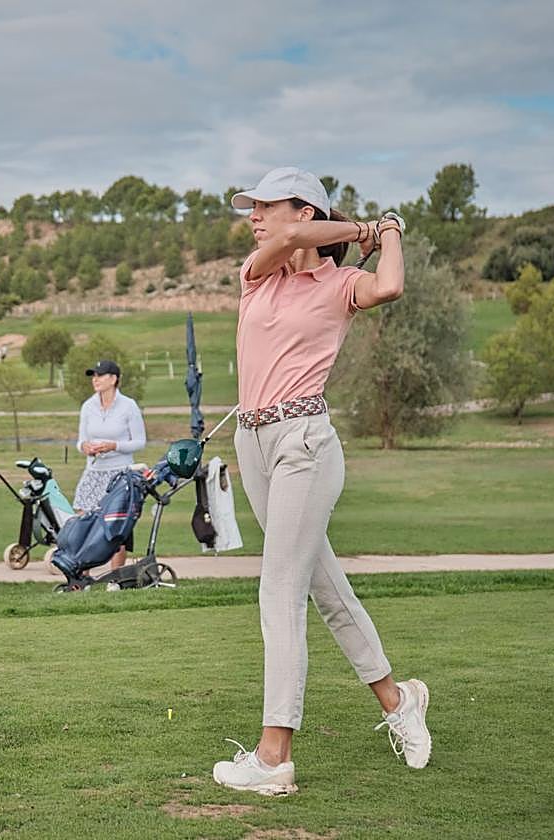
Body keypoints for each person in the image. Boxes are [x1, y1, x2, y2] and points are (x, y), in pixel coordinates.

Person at [210, 166, 429, 795]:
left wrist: (388, 233)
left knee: (279, 590)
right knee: (325, 591)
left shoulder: (341, 286)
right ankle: (398, 701)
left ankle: (274, 755)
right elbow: (275, 248)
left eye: (265, 205)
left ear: (305, 212)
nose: (253, 215)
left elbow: (389, 286)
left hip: (304, 443)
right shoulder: (256, 276)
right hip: (253, 442)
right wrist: (363, 224)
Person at [73, 360, 147, 582]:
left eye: (100, 375)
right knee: (83, 522)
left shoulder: (128, 406)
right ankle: (81, 576)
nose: (95, 379)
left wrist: (114, 446)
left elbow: (140, 442)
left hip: (120, 473)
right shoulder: (88, 406)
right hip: (94, 471)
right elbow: (81, 440)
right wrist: (85, 447)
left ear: (114, 379)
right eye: (93, 375)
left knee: (117, 526)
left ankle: (116, 579)